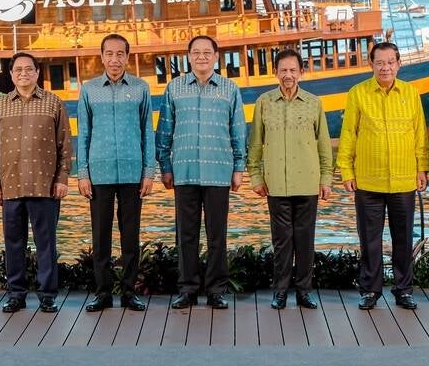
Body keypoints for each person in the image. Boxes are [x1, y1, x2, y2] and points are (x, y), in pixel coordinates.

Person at [156, 35, 246, 310]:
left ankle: (217, 289)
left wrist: (239, 168)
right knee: (186, 234)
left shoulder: (230, 89)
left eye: (207, 52)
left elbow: (238, 130)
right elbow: (164, 131)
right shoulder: (174, 88)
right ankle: (187, 289)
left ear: (216, 56)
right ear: (189, 56)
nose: (202, 57)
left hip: (219, 170)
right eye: (196, 52)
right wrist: (165, 166)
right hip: (184, 171)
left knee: (217, 234)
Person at [338, 42, 429, 311]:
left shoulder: (411, 93)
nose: (385, 67)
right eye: (380, 62)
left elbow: (420, 134)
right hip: (368, 179)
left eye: (391, 62)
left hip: (403, 179)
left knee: (403, 238)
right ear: (371, 64)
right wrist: (346, 170)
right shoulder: (358, 93)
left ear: (399, 64)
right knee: (370, 238)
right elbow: (349, 135)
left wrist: (421, 168)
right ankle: (370, 290)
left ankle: (403, 290)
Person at [0, 52, 71, 313]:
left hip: (44, 186)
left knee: (46, 243)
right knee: (14, 243)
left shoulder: (53, 103)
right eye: (17, 70)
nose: (23, 74)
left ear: (37, 73)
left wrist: (62, 179)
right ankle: (16, 294)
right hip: (10, 186)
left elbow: (64, 145)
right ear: (11, 75)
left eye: (28, 69)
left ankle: (47, 295)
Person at [247, 49, 332, 310]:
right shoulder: (264, 102)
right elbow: (256, 144)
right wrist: (255, 176)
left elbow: (324, 146)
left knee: (305, 239)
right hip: (276, 184)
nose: (288, 75)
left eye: (293, 70)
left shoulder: (314, 103)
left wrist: (326, 178)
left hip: (307, 181)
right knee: (282, 240)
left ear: (301, 73)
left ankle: (304, 291)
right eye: (283, 70)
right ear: (275, 73)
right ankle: (280, 291)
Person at [77, 34, 155, 312]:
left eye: (120, 54)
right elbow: (83, 133)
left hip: (133, 173)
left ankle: (129, 292)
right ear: (101, 57)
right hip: (99, 173)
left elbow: (148, 131)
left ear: (127, 56)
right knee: (101, 237)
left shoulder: (141, 88)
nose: (114, 59)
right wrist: (82, 173)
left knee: (130, 236)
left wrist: (149, 172)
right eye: (109, 54)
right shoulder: (89, 90)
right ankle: (102, 292)